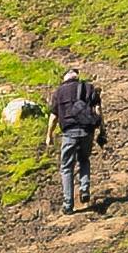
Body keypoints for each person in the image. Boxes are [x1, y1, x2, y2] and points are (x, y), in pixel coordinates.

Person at [48, 72, 107, 214]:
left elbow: (53, 117)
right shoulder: (88, 88)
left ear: (64, 79)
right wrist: (102, 129)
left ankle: (68, 205)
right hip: (87, 131)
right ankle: (84, 188)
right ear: (76, 77)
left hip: (69, 133)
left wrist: (49, 135)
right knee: (84, 159)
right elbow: (98, 110)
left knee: (67, 167)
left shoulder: (59, 92)